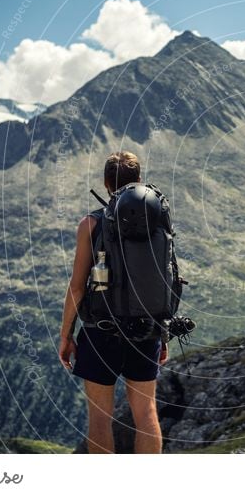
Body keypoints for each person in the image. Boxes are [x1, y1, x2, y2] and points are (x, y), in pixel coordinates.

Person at [58, 151, 168, 454]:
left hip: (99, 331)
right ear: (139, 181)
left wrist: (66, 335)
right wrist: (163, 332)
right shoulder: (159, 221)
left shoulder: (91, 225)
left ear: (106, 183)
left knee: (100, 419)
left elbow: (77, 288)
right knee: (146, 413)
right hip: (147, 329)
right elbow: (167, 280)